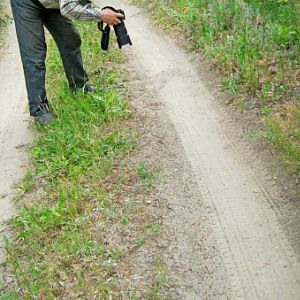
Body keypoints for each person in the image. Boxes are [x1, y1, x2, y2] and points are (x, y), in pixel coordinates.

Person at [10, 0, 124, 124]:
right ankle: (39, 110)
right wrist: (100, 15)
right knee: (34, 55)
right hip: (26, 3)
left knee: (70, 39)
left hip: (53, 3)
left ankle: (79, 86)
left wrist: (102, 12)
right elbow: (68, 8)